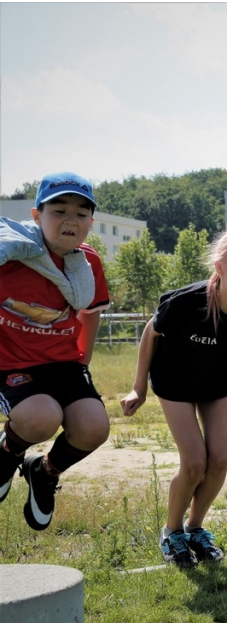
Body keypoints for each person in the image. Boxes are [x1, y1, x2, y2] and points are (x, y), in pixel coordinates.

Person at [121, 229, 227, 566]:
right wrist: (139, 387)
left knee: (219, 459)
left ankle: (195, 529)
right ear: (219, 267)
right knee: (194, 463)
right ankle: (172, 532)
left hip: (217, 384)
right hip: (173, 383)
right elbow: (151, 331)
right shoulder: (184, 303)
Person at [0, 172, 111, 531]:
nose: (70, 220)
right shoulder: (10, 255)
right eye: (59, 210)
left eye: (81, 214)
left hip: (63, 362)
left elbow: (89, 314)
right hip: (11, 364)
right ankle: (6, 455)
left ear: (91, 222)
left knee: (94, 427)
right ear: (36, 215)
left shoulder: (87, 263)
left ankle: (43, 471)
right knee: (40, 418)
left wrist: (83, 361)